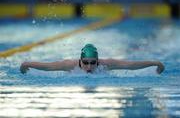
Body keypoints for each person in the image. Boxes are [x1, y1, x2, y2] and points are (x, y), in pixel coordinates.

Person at [20, 44, 165, 74]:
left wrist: (154, 62)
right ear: (80, 60)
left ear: (98, 60)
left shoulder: (106, 64)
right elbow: (47, 66)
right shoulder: (69, 65)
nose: (89, 67)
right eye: (85, 63)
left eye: (93, 63)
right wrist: (26, 64)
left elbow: (131, 65)